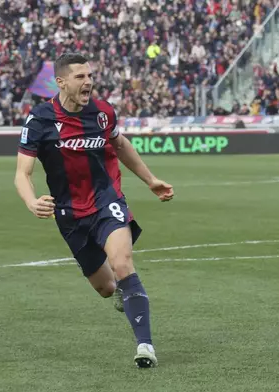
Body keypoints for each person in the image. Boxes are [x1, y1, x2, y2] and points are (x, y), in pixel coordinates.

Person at [14, 53, 174, 368]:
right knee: (105, 287)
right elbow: (22, 173)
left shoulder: (103, 113)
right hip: (70, 213)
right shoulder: (41, 120)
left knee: (123, 263)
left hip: (106, 200)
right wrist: (32, 201)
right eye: (80, 77)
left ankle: (145, 346)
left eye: (90, 76)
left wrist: (150, 180)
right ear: (60, 82)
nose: (88, 82)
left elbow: (120, 144)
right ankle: (120, 292)